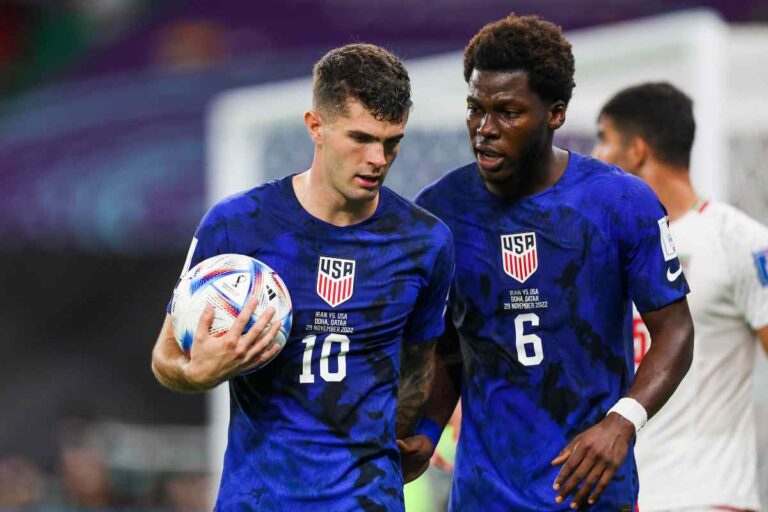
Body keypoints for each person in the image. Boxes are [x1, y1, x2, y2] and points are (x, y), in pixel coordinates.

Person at [398, 14, 695, 511]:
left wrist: (623, 421)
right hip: (484, 496)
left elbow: (676, 330)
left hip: (590, 492)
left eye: (508, 112)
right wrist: (428, 429)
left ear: (555, 114)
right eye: (475, 109)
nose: (485, 130)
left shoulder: (621, 202)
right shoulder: (440, 210)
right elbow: (449, 343)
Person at [151, 43, 454, 512]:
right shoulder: (236, 225)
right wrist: (196, 373)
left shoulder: (425, 242)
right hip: (258, 500)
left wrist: (425, 432)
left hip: (366, 501)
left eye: (391, 141)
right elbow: (165, 355)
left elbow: (424, 361)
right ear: (316, 126)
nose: (378, 157)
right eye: (361, 138)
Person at [593, 82, 768, 512]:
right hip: (619, 495)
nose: (595, 155)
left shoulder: (739, 242)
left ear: (636, 150)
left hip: (707, 496)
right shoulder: (601, 248)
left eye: (604, 139)